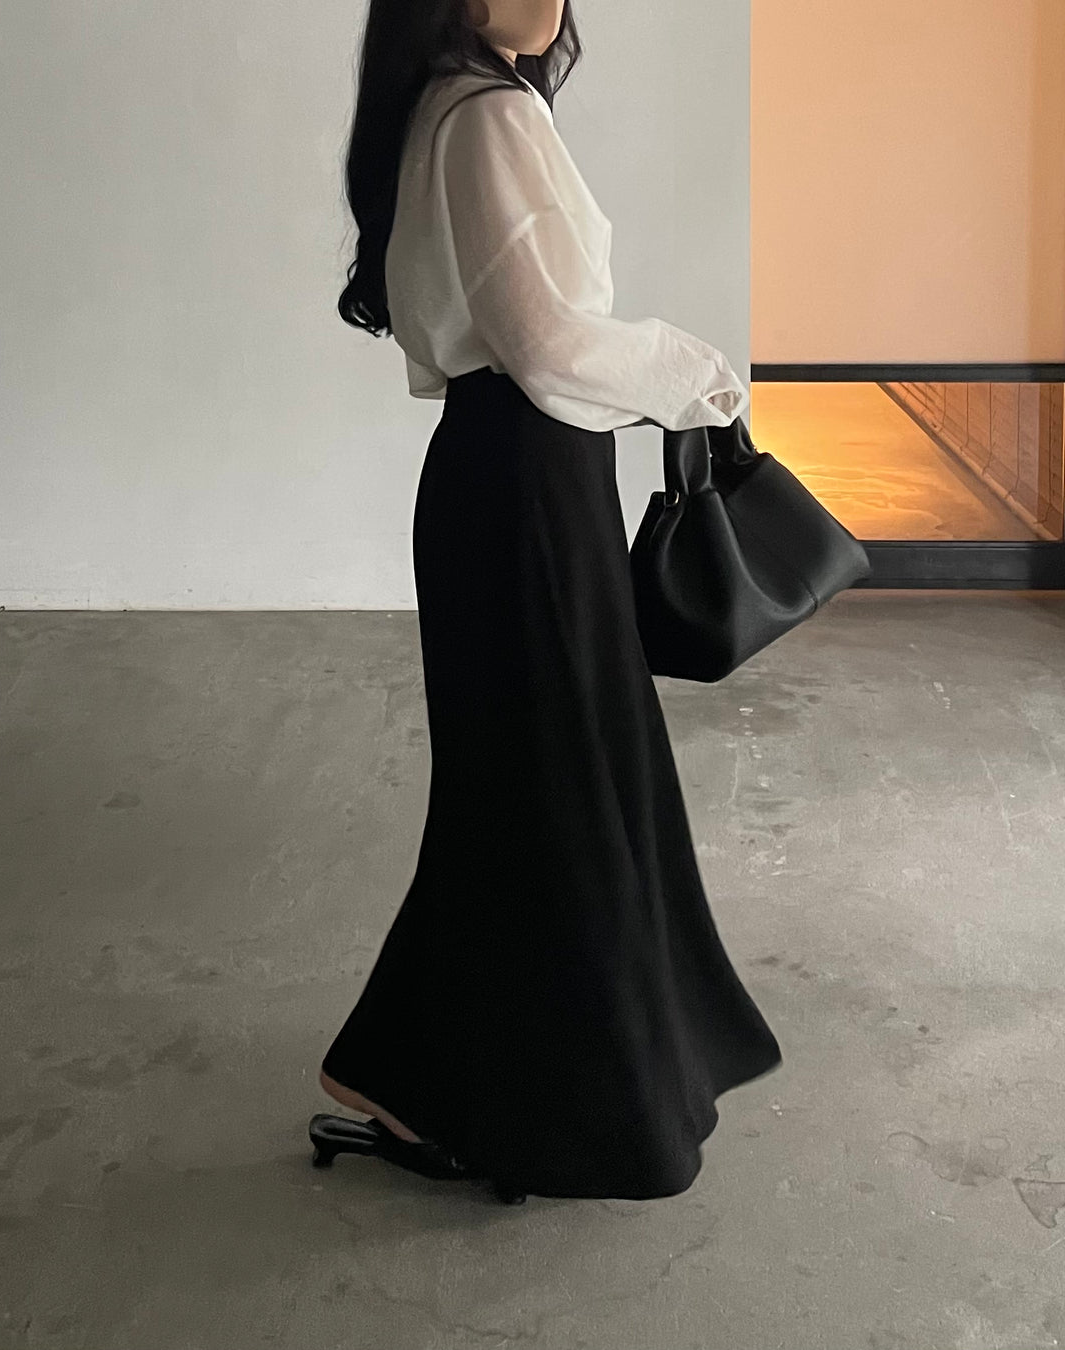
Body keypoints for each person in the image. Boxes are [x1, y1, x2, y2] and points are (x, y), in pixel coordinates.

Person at [311, 0, 783, 1203]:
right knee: (554, 788)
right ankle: (510, 1093)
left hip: (512, 479)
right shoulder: (487, 117)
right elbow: (548, 340)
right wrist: (700, 376)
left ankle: (418, 1073)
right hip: (525, 484)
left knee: (528, 792)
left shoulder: (452, 105)